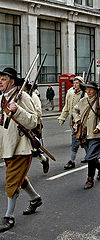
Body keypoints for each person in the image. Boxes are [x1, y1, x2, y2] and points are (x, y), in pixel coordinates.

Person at [0, 67, 42, 232]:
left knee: (11, 182)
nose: (0, 82)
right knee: (19, 178)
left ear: (11, 81)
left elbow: (33, 121)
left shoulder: (22, 96)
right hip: (7, 147)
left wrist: (18, 110)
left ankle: (8, 216)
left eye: (3, 79)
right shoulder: (2, 98)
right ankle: (35, 198)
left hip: (21, 147)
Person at [72, 81, 100, 189]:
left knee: (90, 157)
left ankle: (90, 179)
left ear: (96, 91)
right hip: (84, 133)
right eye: (87, 89)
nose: (88, 91)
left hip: (96, 134)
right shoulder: (83, 101)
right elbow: (75, 110)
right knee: (91, 157)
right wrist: (78, 120)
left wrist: (99, 128)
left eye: (91, 89)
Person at [58, 76, 85, 169]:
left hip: (83, 120)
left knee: (82, 139)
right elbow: (66, 106)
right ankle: (74, 160)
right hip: (73, 120)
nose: (75, 84)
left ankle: (88, 157)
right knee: (76, 139)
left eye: (77, 83)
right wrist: (62, 117)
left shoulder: (85, 94)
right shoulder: (70, 93)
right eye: (74, 83)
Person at [24, 81, 49, 173]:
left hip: (33, 125)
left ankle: (44, 160)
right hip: (22, 126)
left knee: (33, 147)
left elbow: (38, 111)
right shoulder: (19, 97)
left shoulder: (33, 97)